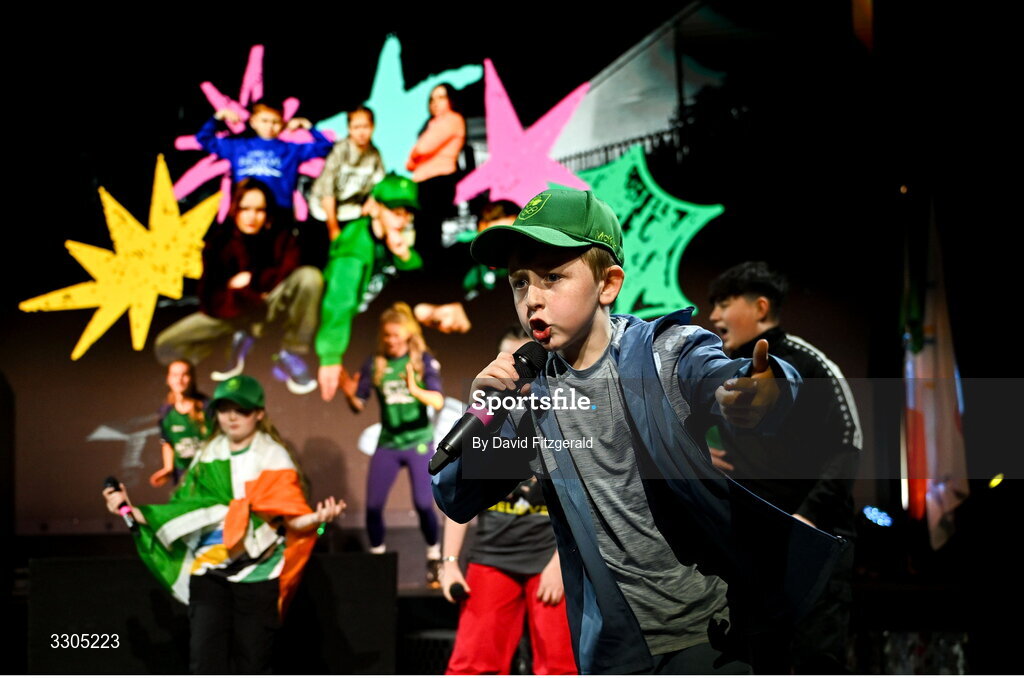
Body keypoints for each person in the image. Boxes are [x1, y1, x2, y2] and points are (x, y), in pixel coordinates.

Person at [432, 189, 845, 674]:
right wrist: (490, 412)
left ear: (608, 285)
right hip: (616, 650)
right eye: (520, 282)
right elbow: (456, 495)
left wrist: (765, 390)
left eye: (553, 277)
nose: (532, 298)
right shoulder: (532, 397)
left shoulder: (663, 353)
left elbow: (731, 377)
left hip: (710, 636)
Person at [102, 374, 345, 674]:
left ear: (259, 414)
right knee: (205, 662)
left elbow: (291, 516)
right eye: (223, 408)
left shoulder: (272, 456)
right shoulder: (208, 454)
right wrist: (132, 509)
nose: (231, 417)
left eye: (240, 409)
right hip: (210, 571)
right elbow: (187, 510)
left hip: (258, 574)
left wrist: (318, 519)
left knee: (253, 665)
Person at [707, 261, 860, 673]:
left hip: (815, 546)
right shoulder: (722, 373)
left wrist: (807, 517)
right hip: (753, 551)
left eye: (723, 303)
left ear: (760, 307)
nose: (713, 316)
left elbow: (848, 447)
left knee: (813, 662)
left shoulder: (812, 364)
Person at [441, 327, 577, 675]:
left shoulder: (561, 415)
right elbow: (458, 501)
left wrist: (560, 564)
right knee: (472, 665)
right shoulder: (485, 416)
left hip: (550, 560)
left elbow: (585, 500)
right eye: (507, 361)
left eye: (523, 363)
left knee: (560, 665)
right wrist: (450, 561)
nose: (512, 369)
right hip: (492, 557)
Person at [154, 179, 323, 395]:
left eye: (259, 210)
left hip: (269, 309)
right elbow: (209, 297)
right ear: (236, 209)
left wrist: (247, 282)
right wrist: (246, 295)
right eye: (245, 209)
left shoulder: (282, 237)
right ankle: (228, 350)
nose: (252, 217)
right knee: (166, 345)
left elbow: (288, 274)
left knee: (310, 277)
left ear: (268, 213)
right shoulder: (220, 242)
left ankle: (291, 353)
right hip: (232, 314)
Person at [341, 302, 444, 585]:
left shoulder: (422, 360)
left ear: (408, 335)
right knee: (373, 507)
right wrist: (351, 395)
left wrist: (415, 390)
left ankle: (434, 557)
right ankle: (377, 562)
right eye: (387, 336)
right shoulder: (375, 362)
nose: (391, 341)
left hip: (418, 441)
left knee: (424, 505)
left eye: (396, 336)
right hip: (389, 442)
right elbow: (358, 405)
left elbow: (438, 400)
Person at [315, 174, 422, 402]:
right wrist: (331, 357)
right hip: (344, 327)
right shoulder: (356, 242)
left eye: (407, 213)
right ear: (375, 208)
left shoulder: (393, 240)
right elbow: (339, 302)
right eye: (395, 211)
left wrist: (404, 255)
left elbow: (420, 286)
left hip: (371, 326)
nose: (401, 221)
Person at [196, 99, 334, 212]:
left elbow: (325, 146)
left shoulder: (291, 149)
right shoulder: (238, 146)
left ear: (283, 124)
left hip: (279, 210)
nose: (269, 126)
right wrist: (217, 117)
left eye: (275, 122)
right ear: (253, 122)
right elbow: (204, 139)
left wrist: (308, 127)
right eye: (264, 121)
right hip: (245, 210)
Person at [309, 106, 385, 242]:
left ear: (373, 127)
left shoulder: (375, 154)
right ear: (349, 129)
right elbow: (327, 192)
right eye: (356, 127)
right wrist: (333, 228)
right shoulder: (340, 151)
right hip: (324, 213)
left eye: (365, 127)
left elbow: (380, 184)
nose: (361, 132)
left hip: (351, 212)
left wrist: (372, 200)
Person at [406, 83, 466, 251]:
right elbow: (410, 163)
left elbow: (422, 148)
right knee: (423, 230)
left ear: (451, 100)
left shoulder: (452, 118)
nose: (435, 103)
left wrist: (417, 154)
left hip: (439, 182)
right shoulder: (430, 124)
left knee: (431, 231)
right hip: (425, 183)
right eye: (432, 99)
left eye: (441, 97)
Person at [150, 360, 210, 487]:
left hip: (209, 473)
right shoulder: (166, 412)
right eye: (175, 375)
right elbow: (167, 443)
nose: (179, 380)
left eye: (184, 374)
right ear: (168, 379)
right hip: (183, 477)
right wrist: (168, 469)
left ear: (192, 378)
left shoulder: (207, 406)